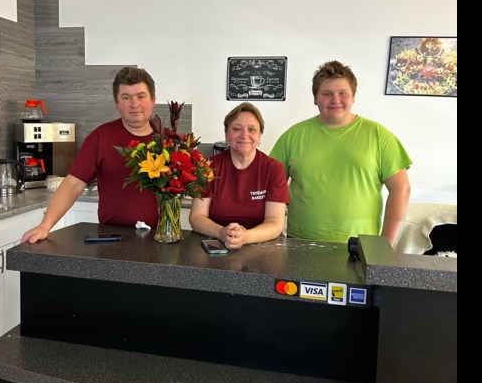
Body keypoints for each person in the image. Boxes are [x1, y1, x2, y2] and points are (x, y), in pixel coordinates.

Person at [270, 61, 412, 245]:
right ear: (315, 98)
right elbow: (271, 188)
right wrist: (273, 231)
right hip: (299, 243)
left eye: (343, 93)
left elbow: (401, 189)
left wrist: (384, 246)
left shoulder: (379, 136)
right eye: (326, 94)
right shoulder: (293, 135)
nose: (335, 99)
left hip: (360, 246)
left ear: (353, 96)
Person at [21, 67, 159, 244]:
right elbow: (73, 184)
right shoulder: (101, 137)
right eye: (126, 97)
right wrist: (45, 226)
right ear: (117, 103)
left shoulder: (168, 141)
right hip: (112, 239)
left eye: (141, 96)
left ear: (153, 100)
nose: (134, 104)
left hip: (160, 238)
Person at [189, 103, 289, 250]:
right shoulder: (208, 167)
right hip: (217, 245)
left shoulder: (274, 169)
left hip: (263, 249)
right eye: (236, 129)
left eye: (252, 129)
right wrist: (222, 233)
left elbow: (274, 223)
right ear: (226, 134)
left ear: (260, 135)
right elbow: (197, 217)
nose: (244, 135)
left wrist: (245, 237)